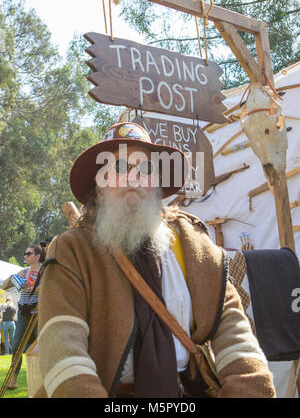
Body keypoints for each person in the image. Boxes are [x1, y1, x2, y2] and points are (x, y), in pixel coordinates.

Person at [35, 121, 276, 398]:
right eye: (119, 167)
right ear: (98, 186)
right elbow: (62, 345)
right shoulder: (71, 250)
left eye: (145, 168)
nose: (133, 177)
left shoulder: (193, 244)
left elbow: (234, 331)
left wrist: (251, 390)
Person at [1, 245, 44, 389]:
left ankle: (44, 379)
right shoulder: (23, 271)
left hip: (38, 311)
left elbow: (48, 290)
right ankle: (13, 380)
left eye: (28, 253)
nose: (25, 256)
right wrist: (13, 280)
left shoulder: (45, 270)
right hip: (23, 312)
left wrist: (34, 289)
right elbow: (5, 287)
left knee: (41, 345)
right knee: (16, 344)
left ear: (37, 256)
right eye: (24, 254)